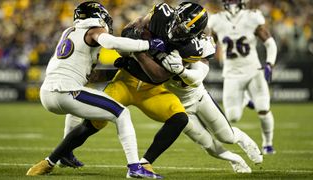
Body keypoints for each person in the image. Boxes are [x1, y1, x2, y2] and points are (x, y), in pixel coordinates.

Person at [63, 2, 262, 174]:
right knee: (208, 145)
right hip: (173, 99)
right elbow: (135, 29)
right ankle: (236, 160)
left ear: (196, 33)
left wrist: (182, 71)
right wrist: (136, 39)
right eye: (178, 23)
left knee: (226, 136)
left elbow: (197, 77)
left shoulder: (199, 46)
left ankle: (243, 139)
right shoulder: (161, 18)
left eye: (184, 30)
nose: (177, 30)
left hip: (196, 96)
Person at [26, 1, 167, 178]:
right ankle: (134, 167)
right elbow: (111, 42)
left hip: (48, 92)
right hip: (65, 91)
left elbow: (90, 76)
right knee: (121, 113)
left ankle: (65, 154)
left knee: (75, 110)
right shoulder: (93, 29)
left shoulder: (69, 32)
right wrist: (147, 45)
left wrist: (117, 71)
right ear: (98, 17)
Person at [207, 0, 277, 154]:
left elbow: (270, 43)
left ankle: (267, 144)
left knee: (263, 108)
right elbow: (208, 45)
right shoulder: (216, 20)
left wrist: (269, 63)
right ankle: (245, 100)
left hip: (253, 70)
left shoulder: (252, 17)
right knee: (232, 117)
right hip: (231, 73)